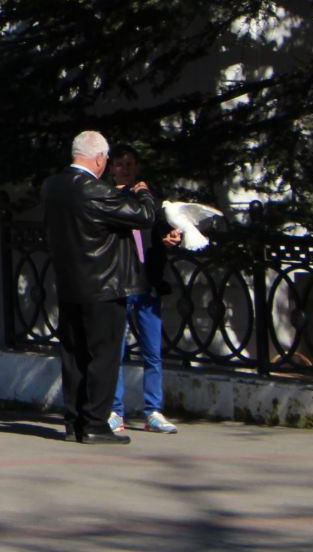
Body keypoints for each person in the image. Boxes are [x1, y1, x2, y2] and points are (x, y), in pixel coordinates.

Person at [42, 129, 158, 444]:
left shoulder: (53, 186)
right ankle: (95, 424)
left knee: (73, 355)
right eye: (106, 159)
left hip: (69, 284)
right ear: (99, 158)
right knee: (103, 357)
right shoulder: (93, 189)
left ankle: (74, 421)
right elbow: (144, 216)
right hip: (104, 285)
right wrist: (142, 191)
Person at [108, 146, 182, 436]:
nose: (125, 169)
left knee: (153, 350)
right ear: (111, 168)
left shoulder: (148, 196)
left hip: (147, 282)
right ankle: (116, 411)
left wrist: (171, 238)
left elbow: (162, 229)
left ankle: (153, 411)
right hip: (122, 282)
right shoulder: (109, 197)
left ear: (137, 166)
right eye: (119, 164)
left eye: (130, 164)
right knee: (118, 350)